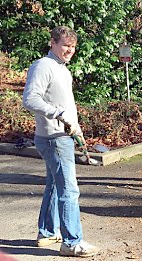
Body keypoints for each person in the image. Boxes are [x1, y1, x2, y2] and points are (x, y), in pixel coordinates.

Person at [22, 26, 100, 257]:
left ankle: (47, 233)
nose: (70, 50)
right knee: (69, 189)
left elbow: (66, 106)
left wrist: (76, 127)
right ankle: (72, 242)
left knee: (55, 186)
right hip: (53, 138)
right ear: (52, 43)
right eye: (66, 45)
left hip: (63, 135)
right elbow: (30, 99)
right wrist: (58, 114)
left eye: (73, 47)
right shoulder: (43, 66)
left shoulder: (62, 69)